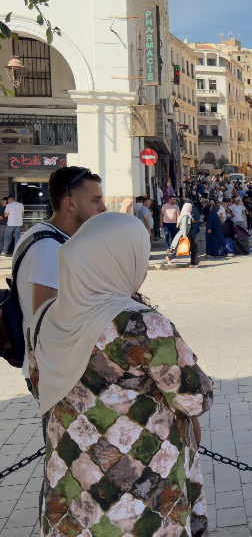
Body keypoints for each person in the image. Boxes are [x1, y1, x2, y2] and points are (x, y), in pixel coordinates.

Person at [27, 213, 213, 537]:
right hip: (140, 495)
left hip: (70, 484)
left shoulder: (43, 318)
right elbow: (194, 397)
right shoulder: (139, 325)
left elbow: (37, 384)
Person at [14, 166, 106, 383]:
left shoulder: (43, 233)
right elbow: (46, 322)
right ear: (70, 203)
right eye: (95, 200)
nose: (103, 208)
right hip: (56, 373)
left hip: (56, 368)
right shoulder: (49, 250)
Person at [166, 202, 199, 267]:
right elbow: (184, 225)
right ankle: (192, 263)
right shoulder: (185, 215)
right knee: (190, 248)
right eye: (191, 207)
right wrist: (184, 235)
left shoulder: (186, 214)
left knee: (190, 247)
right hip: (186, 234)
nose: (192, 209)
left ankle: (170, 257)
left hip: (188, 233)